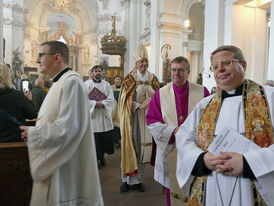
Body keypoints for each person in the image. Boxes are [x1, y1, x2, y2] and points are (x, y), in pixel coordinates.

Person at [176, 45, 274, 205]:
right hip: (211, 187)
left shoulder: (269, 98)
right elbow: (183, 138)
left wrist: (248, 163)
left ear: (243, 65)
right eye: (215, 67)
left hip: (252, 187)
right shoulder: (204, 105)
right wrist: (202, 159)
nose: (220, 69)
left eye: (226, 63)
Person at [19, 41, 104, 206]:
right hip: (59, 161)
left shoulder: (72, 82)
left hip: (66, 166)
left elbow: (69, 127)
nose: (37, 60)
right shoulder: (60, 82)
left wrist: (34, 133)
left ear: (57, 57)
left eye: (41, 55)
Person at [146, 56, 210, 206]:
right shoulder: (160, 94)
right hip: (172, 149)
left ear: (188, 71)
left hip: (197, 148)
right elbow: (152, 122)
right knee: (174, 191)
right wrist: (174, 131)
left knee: (198, 186)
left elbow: (211, 119)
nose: (176, 74)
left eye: (181, 70)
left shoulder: (202, 92)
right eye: (173, 70)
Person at [118, 44, 159, 192]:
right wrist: (138, 106)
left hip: (148, 120)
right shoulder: (129, 79)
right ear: (135, 63)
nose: (144, 64)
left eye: (146, 61)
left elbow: (159, 96)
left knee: (143, 150)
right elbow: (123, 101)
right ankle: (126, 180)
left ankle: (138, 180)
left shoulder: (153, 78)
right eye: (141, 61)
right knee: (131, 148)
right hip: (133, 119)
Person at [85, 65, 115, 167]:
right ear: (92, 73)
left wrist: (103, 104)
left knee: (103, 140)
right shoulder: (86, 84)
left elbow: (111, 99)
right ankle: (96, 159)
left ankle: (102, 156)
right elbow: (83, 99)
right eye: (96, 71)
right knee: (95, 141)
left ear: (102, 73)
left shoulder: (107, 85)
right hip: (93, 117)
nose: (98, 73)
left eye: (99, 71)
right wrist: (94, 104)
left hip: (103, 116)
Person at [0, 63, 36, 142]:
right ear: (8, 77)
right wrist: (29, 100)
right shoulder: (18, 96)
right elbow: (32, 115)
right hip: (16, 143)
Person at [111, 75, 122, 148]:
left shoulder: (123, 88)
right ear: (114, 80)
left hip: (121, 108)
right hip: (113, 108)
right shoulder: (111, 88)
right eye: (116, 79)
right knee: (113, 124)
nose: (117, 80)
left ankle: (120, 140)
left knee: (120, 124)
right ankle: (114, 141)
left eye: (119, 79)